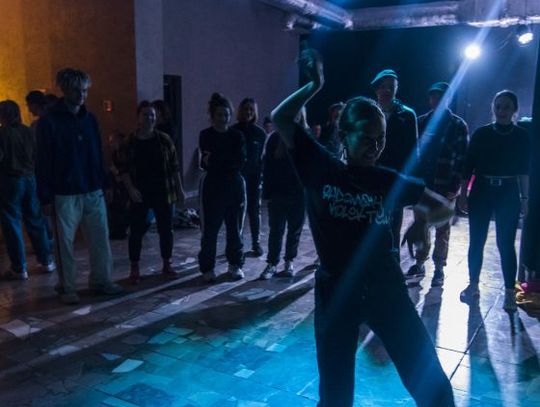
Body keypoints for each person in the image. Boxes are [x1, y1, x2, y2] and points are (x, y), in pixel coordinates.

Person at [271, 48, 455, 407]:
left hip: (387, 290)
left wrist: (421, 222)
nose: (376, 147)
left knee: (434, 388)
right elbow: (281, 117)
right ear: (345, 133)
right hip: (337, 294)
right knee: (336, 397)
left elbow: (444, 208)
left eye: (381, 138)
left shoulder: (386, 179)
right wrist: (314, 86)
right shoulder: (321, 168)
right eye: (367, 137)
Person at [35, 68, 123, 305]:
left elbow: (97, 153)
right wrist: (45, 197)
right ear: (65, 89)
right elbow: (43, 161)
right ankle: (68, 286)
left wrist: (105, 182)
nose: (82, 95)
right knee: (64, 244)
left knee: (100, 238)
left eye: (85, 90)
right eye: (77, 90)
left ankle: (101, 280)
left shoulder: (90, 119)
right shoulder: (48, 123)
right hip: (64, 192)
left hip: (92, 189)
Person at [459, 90, 530, 312]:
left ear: (514, 110)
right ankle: (473, 285)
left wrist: (525, 198)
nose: (501, 111)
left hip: (508, 192)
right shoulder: (482, 134)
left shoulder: (521, 136)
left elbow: (524, 171)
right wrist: (462, 194)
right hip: (481, 189)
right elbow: (467, 166)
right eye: (498, 106)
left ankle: (509, 292)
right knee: (476, 241)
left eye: (506, 107)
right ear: (493, 108)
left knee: (505, 243)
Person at [406, 82, 469, 286]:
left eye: (440, 96)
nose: (436, 100)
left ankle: (439, 268)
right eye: (433, 96)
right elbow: (414, 154)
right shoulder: (421, 122)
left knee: (442, 230)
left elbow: (462, 158)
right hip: (422, 185)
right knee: (421, 227)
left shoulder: (458, 125)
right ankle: (419, 263)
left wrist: (455, 187)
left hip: (445, 186)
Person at [116, 101, 184, 284]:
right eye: (145, 114)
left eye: (152, 115)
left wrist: (180, 190)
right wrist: (131, 189)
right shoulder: (129, 142)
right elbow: (123, 169)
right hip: (139, 193)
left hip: (163, 191)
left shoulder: (164, 140)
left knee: (166, 229)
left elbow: (174, 166)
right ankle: (134, 267)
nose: (149, 118)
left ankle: (167, 263)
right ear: (138, 117)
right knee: (136, 231)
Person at [0, 100, 55, 280]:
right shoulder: (29, 131)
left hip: (10, 180)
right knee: (35, 219)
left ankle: (19, 267)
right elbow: (37, 154)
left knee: (12, 223)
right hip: (30, 178)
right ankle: (46, 260)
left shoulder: (3, 134)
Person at [372, 69, 419, 263]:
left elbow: (413, 151)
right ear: (376, 89)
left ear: (396, 89)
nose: (386, 90)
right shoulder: (369, 111)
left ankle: (392, 267)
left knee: (393, 227)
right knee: (370, 226)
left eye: (391, 87)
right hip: (371, 178)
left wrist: (409, 182)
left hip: (394, 179)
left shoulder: (407, 115)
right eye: (383, 87)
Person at [198, 93, 246, 282]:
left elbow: (240, 161)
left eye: (226, 114)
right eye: (219, 114)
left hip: (234, 187)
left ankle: (235, 264)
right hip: (213, 188)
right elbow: (206, 163)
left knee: (235, 229)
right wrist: (225, 160)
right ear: (212, 115)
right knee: (210, 231)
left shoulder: (237, 135)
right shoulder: (206, 135)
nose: (223, 118)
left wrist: (218, 159)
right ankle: (207, 268)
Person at [259, 127, 305, 279]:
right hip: (279, 192)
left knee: (294, 229)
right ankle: (272, 263)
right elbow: (268, 167)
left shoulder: (304, 138)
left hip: (298, 193)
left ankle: (289, 261)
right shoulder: (274, 138)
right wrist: (268, 193)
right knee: (276, 229)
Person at [232, 98, 266, 256]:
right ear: (241, 110)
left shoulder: (260, 133)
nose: (248, 112)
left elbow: (261, 158)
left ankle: (256, 243)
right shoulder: (233, 131)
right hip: (237, 179)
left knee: (254, 210)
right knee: (238, 211)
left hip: (254, 179)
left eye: (251, 110)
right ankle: (236, 242)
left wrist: (261, 176)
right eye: (246, 109)